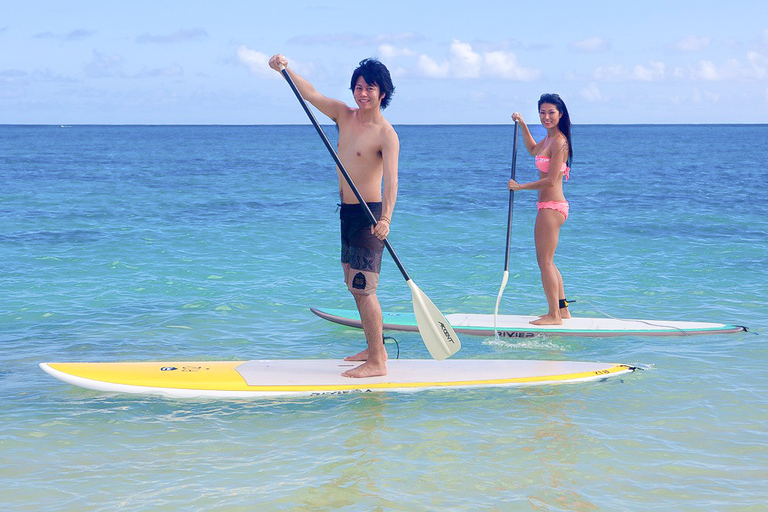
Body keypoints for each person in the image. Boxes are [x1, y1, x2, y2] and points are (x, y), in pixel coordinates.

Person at [269, 54, 398, 377]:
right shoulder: (343, 115)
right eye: (358, 87)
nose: (362, 93)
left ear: (383, 92)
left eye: (370, 88)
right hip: (346, 213)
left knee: (364, 288)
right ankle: (374, 346)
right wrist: (286, 70)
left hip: (370, 217)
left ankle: (378, 362)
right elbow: (311, 95)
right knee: (352, 283)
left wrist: (386, 220)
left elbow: (392, 181)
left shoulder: (386, 134)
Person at [507, 93, 573, 325]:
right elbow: (532, 149)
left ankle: (554, 316)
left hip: (552, 207)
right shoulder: (547, 140)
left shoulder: (560, 142)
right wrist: (523, 124)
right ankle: (562, 309)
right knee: (549, 261)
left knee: (544, 261)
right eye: (542, 113)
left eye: (551, 112)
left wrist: (520, 187)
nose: (546, 117)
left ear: (560, 114)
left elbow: (551, 180)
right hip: (548, 206)